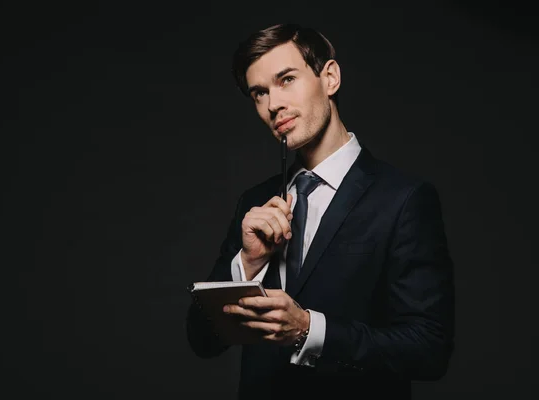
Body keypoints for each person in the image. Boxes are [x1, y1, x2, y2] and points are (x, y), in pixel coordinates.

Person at [185, 22, 455, 399]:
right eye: (259, 93)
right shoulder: (254, 202)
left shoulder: (403, 199)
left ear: (330, 78)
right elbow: (202, 340)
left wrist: (309, 330)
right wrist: (246, 264)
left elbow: (429, 350)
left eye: (286, 80)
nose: (273, 104)